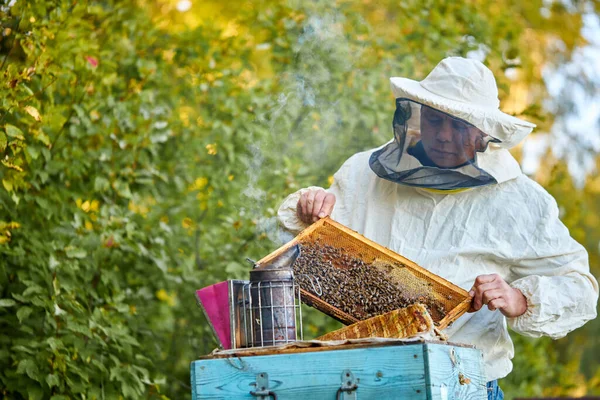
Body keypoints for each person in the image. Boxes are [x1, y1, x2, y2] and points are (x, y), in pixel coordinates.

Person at [276, 57, 599, 399]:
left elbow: (580, 288)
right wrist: (309, 207)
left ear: (483, 130)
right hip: (370, 381)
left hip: (465, 386)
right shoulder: (363, 174)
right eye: (434, 120)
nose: (444, 136)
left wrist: (519, 299)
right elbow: (310, 247)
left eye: (459, 125)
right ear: (416, 116)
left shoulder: (521, 201)